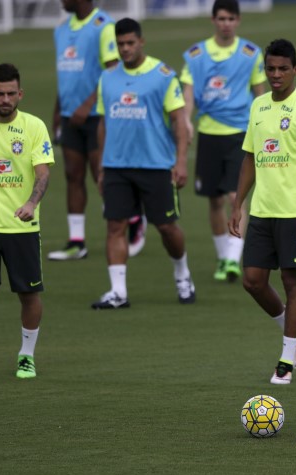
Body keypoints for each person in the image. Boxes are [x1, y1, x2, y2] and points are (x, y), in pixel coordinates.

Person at [229, 38, 296, 385]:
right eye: (270, 68)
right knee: (253, 281)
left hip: (295, 213)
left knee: (291, 282)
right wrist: (238, 202)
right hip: (262, 211)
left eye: (283, 68)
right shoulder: (258, 107)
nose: (276, 74)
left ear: (295, 70)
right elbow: (250, 158)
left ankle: (287, 357)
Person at [91, 18, 195, 309]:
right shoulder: (107, 77)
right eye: (120, 44)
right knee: (115, 226)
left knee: (166, 227)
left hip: (156, 165)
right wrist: (101, 166)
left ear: (141, 42)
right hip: (116, 166)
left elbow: (178, 121)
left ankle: (182, 274)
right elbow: (103, 124)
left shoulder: (162, 75)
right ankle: (118, 292)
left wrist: (181, 161)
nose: (125, 49)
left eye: (130, 43)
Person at [49, 0, 146, 261]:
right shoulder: (60, 30)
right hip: (71, 115)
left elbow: (113, 71)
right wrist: (58, 112)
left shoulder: (103, 27)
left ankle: (135, 219)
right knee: (72, 174)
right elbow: (65, 76)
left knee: (100, 176)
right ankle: (76, 241)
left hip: (96, 116)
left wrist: (88, 105)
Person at [181, 0, 266, 283]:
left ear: (238, 21)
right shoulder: (196, 55)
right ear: (213, 20)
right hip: (208, 134)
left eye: (231, 18)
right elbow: (188, 95)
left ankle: (232, 258)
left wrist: (263, 127)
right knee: (215, 200)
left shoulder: (250, 53)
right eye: (221, 18)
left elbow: (260, 94)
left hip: (239, 135)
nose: (226, 23)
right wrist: (185, 122)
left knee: (234, 197)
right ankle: (223, 257)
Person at [0, 63, 54, 378]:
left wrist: (31, 202)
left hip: (22, 227)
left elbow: (43, 173)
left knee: (28, 294)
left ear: (20, 94)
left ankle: (26, 354)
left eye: (10, 93)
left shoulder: (34, 127)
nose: (4, 99)